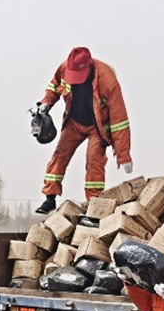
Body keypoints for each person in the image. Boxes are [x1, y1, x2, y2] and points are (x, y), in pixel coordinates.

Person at [35, 47, 133, 214]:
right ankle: (49, 199)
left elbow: (119, 120)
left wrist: (123, 155)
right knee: (59, 155)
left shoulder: (107, 79)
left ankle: (94, 205)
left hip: (97, 127)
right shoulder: (65, 68)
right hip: (74, 121)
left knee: (94, 161)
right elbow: (54, 86)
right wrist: (46, 103)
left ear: (89, 67)